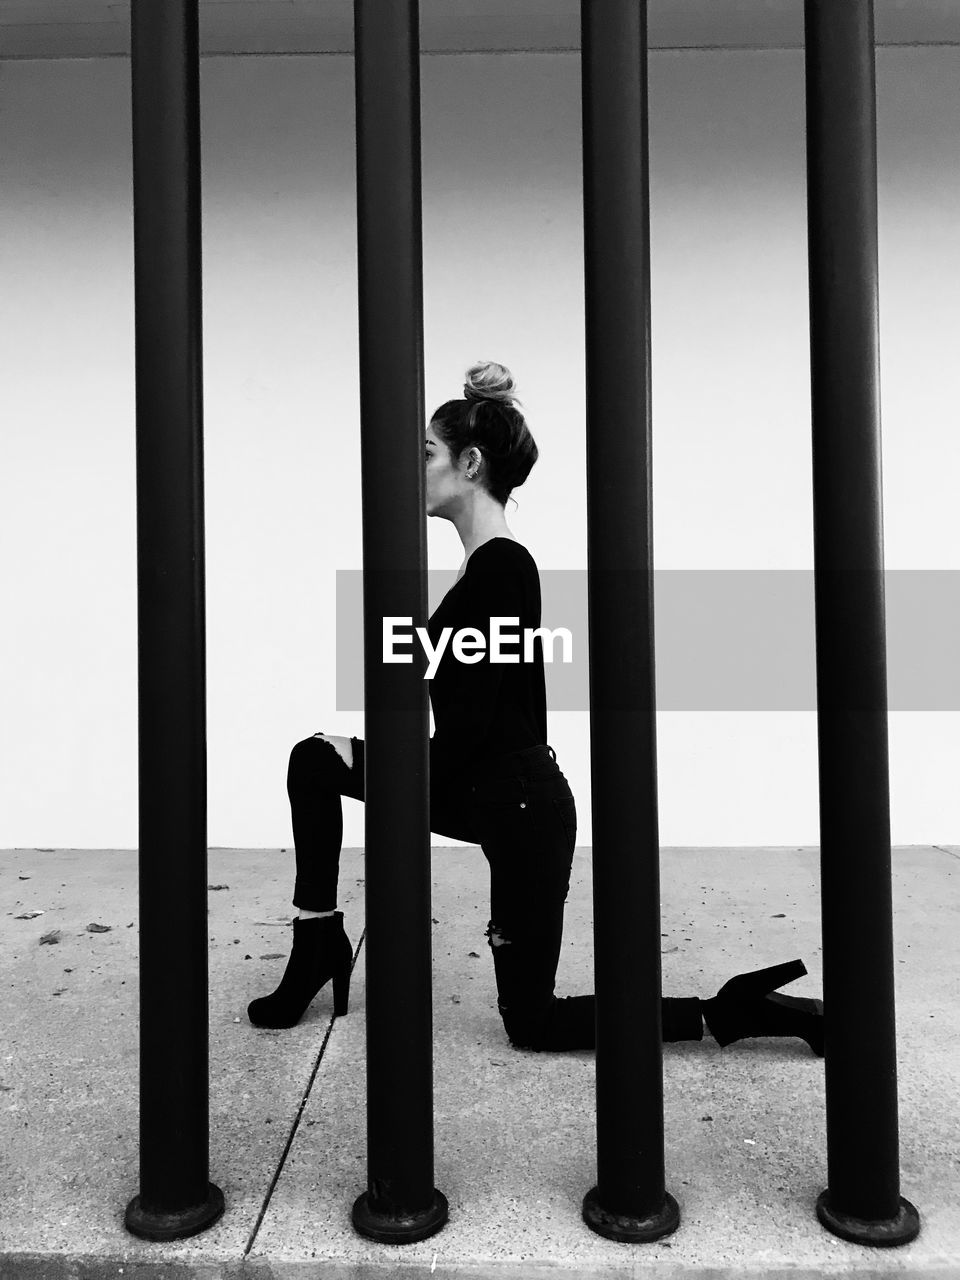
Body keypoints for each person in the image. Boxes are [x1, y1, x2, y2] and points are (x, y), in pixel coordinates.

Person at [247, 360, 824, 1057]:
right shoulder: (477, 570)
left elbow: (472, 724)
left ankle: (730, 1012)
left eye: (425, 453)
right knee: (314, 758)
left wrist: (393, 787)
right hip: (485, 788)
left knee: (534, 1023)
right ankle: (318, 943)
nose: (413, 467)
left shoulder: (503, 569)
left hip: (521, 808)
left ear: (469, 462)